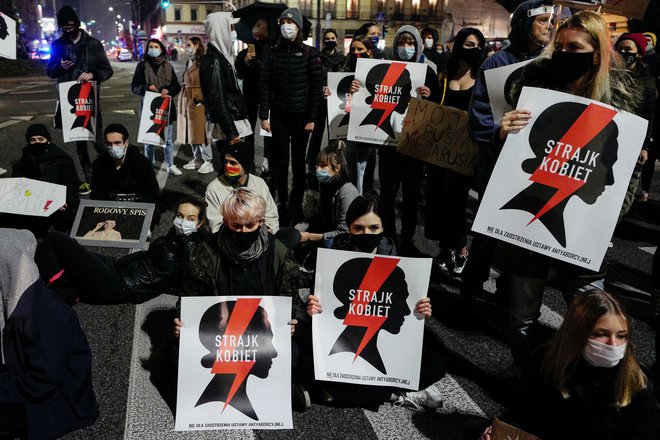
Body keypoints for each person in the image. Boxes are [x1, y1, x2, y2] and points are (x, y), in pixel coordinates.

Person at [496, 11, 646, 365]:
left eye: (574, 47)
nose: (563, 52)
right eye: (558, 46)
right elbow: (509, 163)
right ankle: (525, 384)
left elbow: (623, 180)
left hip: (584, 231)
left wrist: (606, 217)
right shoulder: (535, 95)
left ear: (596, 53)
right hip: (527, 225)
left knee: (593, 318)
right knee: (522, 317)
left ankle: (583, 390)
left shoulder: (620, 106)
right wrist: (503, 134)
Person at [301, 195, 446, 410]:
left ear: (383, 227)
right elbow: (320, 309)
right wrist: (313, 308)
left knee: (435, 367)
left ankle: (352, 392)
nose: (366, 234)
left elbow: (409, 311)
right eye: (358, 228)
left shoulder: (396, 256)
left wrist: (421, 311)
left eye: (373, 228)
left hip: (384, 344)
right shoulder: (333, 259)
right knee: (306, 364)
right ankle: (392, 394)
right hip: (342, 341)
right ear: (348, 228)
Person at [460, 0, 556, 322]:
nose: (549, 27)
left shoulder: (552, 63)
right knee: (487, 234)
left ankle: (505, 290)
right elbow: (480, 118)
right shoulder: (495, 64)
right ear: (524, 24)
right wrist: (498, 133)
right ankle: (469, 290)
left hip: (535, 166)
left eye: (551, 21)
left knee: (523, 232)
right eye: (542, 20)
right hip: (498, 166)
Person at [480, 290, 655, 440]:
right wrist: (496, 430)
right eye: (601, 334)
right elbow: (522, 413)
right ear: (577, 332)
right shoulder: (545, 363)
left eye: (621, 336)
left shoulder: (636, 383)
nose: (613, 344)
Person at [0, 229, 98, 439]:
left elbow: (40, 383)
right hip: (20, 379)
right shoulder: (13, 298)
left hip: (53, 404)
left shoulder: (46, 314)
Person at [352, 25, 440, 256]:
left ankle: (408, 238)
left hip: (413, 148)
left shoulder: (428, 72)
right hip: (388, 147)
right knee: (388, 196)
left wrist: (429, 99)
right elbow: (369, 96)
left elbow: (437, 113)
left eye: (410, 43)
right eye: (402, 42)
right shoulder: (385, 68)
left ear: (418, 45)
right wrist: (356, 87)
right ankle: (389, 236)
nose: (405, 48)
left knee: (411, 198)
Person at [35, 197, 208, 305]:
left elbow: (191, 284)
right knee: (72, 254)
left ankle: (32, 284)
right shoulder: (177, 234)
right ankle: (61, 291)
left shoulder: (191, 246)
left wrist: (156, 287)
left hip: (122, 285)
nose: (182, 221)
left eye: (190, 219)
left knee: (56, 239)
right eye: (179, 216)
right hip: (119, 267)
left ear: (199, 223)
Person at [426, 28, 485, 275]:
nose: (473, 50)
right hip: (441, 149)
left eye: (477, 46)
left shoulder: (482, 78)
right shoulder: (443, 76)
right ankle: (444, 247)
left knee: (457, 201)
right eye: (468, 45)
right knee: (439, 198)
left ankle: (460, 248)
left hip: (465, 150)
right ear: (459, 45)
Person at [260, 7, 323, 226]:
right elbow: (264, 85)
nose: (286, 26)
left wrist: (312, 118)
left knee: (298, 163)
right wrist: (263, 115)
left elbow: (316, 88)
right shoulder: (271, 52)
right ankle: (283, 203)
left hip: (300, 118)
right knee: (280, 162)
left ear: (298, 27)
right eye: (283, 22)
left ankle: (297, 205)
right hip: (278, 116)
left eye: (291, 23)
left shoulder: (310, 53)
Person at [180, 187, 298, 297]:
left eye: (250, 225)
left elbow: (289, 296)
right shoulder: (206, 252)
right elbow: (190, 295)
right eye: (236, 226)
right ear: (226, 222)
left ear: (261, 221)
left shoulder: (278, 252)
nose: (243, 231)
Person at [47, 5, 113, 195]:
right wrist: (60, 66)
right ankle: (89, 179)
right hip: (70, 105)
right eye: (64, 28)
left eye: (71, 27)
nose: (68, 31)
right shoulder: (57, 45)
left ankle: (106, 175)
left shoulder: (93, 44)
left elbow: (107, 70)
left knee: (99, 143)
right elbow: (50, 71)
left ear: (77, 24)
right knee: (80, 144)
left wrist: (92, 74)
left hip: (90, 103)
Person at [7, 123, 80, 238]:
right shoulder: (23, 162)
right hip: (31, 205)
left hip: (57, 205)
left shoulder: (62, 159)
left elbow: (72, 186)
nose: (37, 143)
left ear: (48, 140)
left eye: (41, 139)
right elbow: (16, 187)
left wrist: (64, 200)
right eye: (33, 140)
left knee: (65, 216)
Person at [200, 12, 250, 166]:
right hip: (230, 126)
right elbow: (217, 99)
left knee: (236, 169)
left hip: (233, 122)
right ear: (220, 29)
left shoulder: (223, 56)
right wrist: (231, 132)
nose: (233, 32)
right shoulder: (214, 61)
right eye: (230, 27)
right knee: (232, 169)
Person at [90, 123, 163, 227]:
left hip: (138, 209)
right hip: (111, 212)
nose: (113, 147)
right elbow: (97, 195)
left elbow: (151, 194)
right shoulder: (99, 165)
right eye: (109, 144)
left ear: (126, 142)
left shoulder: (142, 163)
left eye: (117, 143)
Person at [131, 38, 182, 176]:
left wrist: (168, 90)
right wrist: (146, 87)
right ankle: (149, 165)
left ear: (161, 49)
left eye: (156, 46)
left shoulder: (168, 66)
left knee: (168, 140)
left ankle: (170, 164)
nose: (153, 49)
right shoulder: (142, 66)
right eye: (151, 46)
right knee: (149, 140)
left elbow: (176, 85)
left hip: (166, 107)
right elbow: (134, 86)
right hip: (149, 108)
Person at [205, 141, 279, 234]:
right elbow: (216, 227)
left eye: (233, 163)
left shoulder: (259, 183)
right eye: (226, 161)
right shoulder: (214, 189)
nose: (227, 166)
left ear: (245, 165)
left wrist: (265, 232)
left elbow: (271, 216)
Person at [298, 144, 359, 246]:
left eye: (323, 165)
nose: (318, 169)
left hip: (344, 239)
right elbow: (319, 212)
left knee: (328, 243)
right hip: (328, 228)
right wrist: (302, 226)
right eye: (317, 164)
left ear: (337, 168)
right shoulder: (326, 184)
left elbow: (344, 232)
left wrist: (309, 236)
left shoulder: (347, 193)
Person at [339, 36, 378, 194]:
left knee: (364, 167)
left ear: (369, 51)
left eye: (360, 49)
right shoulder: (343, 71)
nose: (356, 53)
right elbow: (337, 100)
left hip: (369, 125)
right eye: (353, 49)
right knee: (350, 165)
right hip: (349, 125)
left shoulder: (378, 71)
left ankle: (362, 201)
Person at [307, 28, 347, 184]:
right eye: (327, 38)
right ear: (324, 41)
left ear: (336, 40)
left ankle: (333, 165)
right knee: (316, 136)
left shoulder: (342, 59)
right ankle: (312, 166)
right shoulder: (318, 58)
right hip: (319, 102)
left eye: (333, 37)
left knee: (334, 137)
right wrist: (320, 89)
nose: (330, 40)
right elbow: (313, 78)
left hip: (335, 103)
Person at [235, 19, 270, 168]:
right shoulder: (244, 53)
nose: (257, 39)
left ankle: (267, 161)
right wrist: (245, 62)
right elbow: (239, 74)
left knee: (268, 130)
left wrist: (261, 64)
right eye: (255, 36)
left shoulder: (270, 52)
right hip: (249, 96)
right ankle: (249, 161)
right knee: (248, 131)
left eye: (260, 37)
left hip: (268, 96)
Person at [177, 36, 214, 175]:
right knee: (191, 131)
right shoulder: (190, 61)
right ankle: (197, 158)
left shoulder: (204, 61)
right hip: (188, 98)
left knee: (201, 131)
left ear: (197, 45)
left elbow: (208, 82)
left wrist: (200, 99)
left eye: (189, 45)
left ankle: (208, 161)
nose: (187, 47)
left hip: (198, 99)